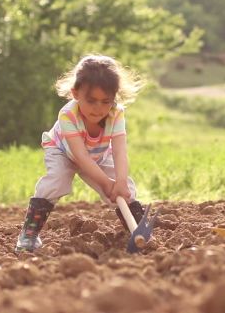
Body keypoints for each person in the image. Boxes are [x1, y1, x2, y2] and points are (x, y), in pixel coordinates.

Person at [15, 55, 146, 253]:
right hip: (63, 151)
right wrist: (106, 183)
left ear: (114, 98)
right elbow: (81, 158)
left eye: (106, 101)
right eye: (91, 100)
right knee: (57, 181)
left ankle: (137, 230)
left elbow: (119, 150)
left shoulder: (116, 113)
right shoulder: (68, 115)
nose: (98, 108)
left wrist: (118, 181)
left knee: (125, 187)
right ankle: (29, 234)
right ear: (75, 93)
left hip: (98, 154)